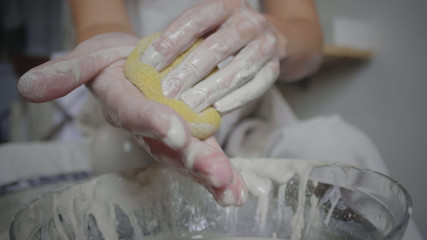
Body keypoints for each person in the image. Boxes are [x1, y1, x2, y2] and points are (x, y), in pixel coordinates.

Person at [16, 0, 324, 206]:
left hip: (251, 110)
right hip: (124, 122)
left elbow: (308, 38)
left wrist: (275, 37)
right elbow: (101, 20)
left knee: (338, 146)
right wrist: (114, 47)